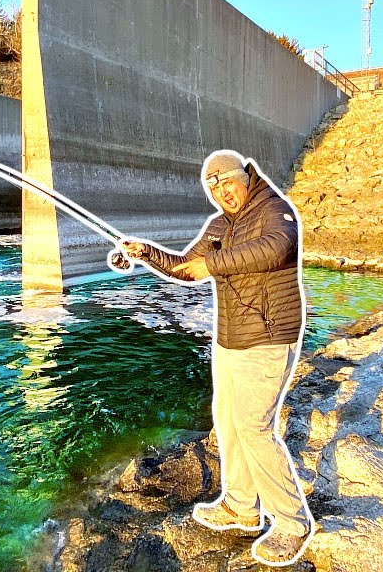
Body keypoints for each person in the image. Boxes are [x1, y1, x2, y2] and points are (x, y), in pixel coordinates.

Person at [121, 150, 314, 567]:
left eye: (226, 181)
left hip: (268, 337)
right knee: (227, 421)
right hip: (230, 339)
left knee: (254, 427)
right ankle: (242, 506)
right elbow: (187, 268)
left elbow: (273, 251)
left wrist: (211, 264)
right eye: (213, 188)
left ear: (244, 176)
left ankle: (292, 522)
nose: (222, 192)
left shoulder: (274, 211)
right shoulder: (218, 226)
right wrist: (146, 253)